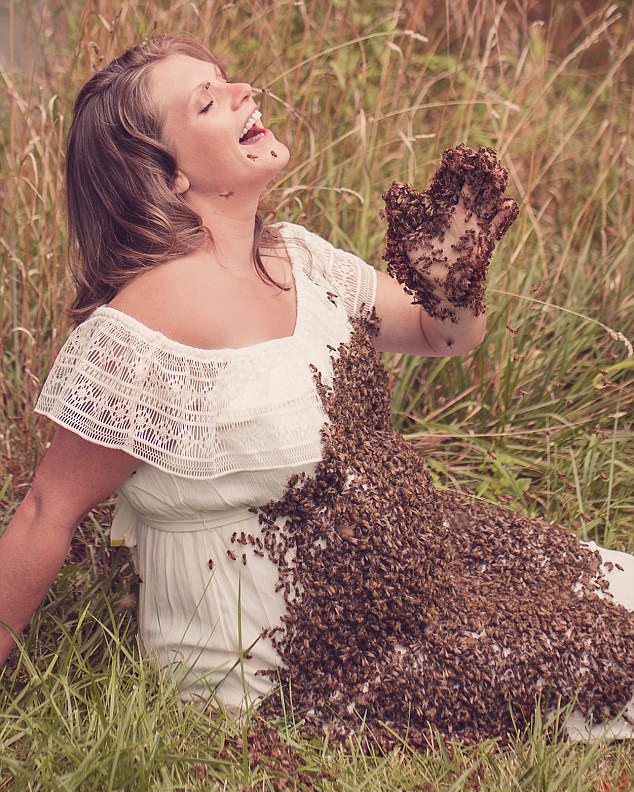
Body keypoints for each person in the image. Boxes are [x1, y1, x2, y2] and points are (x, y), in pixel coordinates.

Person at [0, 34, 632, 745]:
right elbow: (47, 512)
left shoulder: (295, 256)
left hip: (396, 571)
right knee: (604, 656)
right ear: (166, 176)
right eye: (207, 101)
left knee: (611, 585)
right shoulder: (147, 324)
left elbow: (440, 334)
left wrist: (455, 272)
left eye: (227, 78)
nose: (242, 92)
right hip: (283, 655)